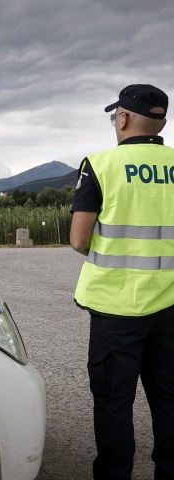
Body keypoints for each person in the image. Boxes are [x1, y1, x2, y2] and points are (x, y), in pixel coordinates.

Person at [70, 84, 174, 480]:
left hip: (115, 309)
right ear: (161, 122)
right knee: (170, 401)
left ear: (124, 118)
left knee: (114, 403)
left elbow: (79, 240)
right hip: (171, 307)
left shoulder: (100, 165)